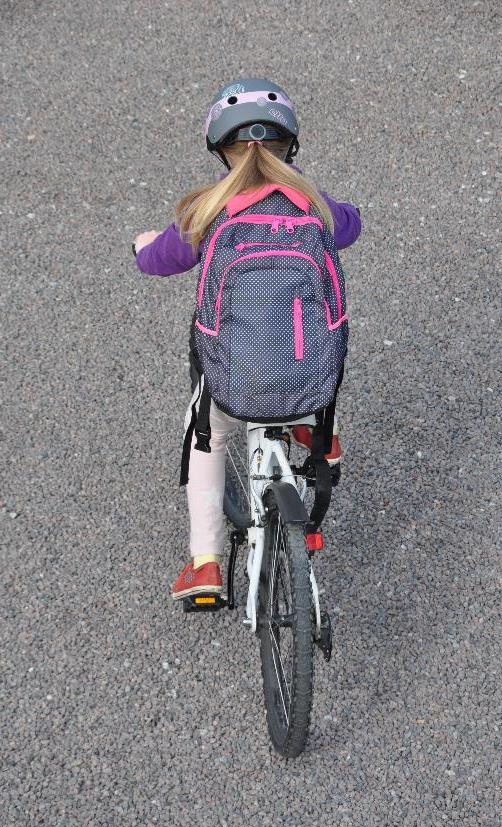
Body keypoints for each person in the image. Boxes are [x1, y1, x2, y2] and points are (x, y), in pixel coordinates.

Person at [133, 78, 361, 601]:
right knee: (315, 335)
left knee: (204, 434)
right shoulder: (310, 202)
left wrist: (143, 245)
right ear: (291, 145)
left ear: (220, 148)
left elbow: (158, 259)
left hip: (234, 380)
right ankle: (312, 429)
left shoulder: (208, 208)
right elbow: (350, 226)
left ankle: (206, 562)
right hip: (309, 376)